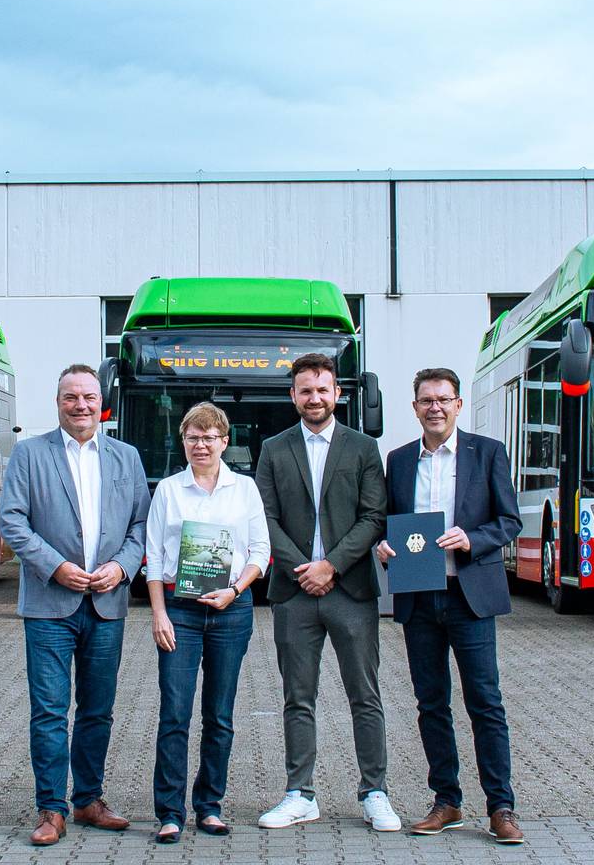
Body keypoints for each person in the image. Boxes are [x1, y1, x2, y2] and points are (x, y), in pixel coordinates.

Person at [0, 365, 151, 846]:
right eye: (70, 397)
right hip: (50, 604)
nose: (80, 405)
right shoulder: (28, 454)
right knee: (48, 710)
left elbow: (142, 525)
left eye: (87, 396)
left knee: (98, 710)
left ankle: (88, 799)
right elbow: (13, 522)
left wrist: (123, 567)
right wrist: (55, 566)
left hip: (106, 603)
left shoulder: (127, 457)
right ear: (58, 401)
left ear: (100, 401)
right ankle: (50, 809)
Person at [374, 367, 524, 844]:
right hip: (419, 596)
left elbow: (510, 521)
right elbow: (385, 522)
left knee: (485, 703)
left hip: (469, 597)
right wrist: (382, 545)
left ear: (458, 405)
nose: (434, 407)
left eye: (443, 399)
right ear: (414, 407)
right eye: (425, 400)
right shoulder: (398, 461)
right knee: (431, 704)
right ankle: (447, 800)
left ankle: (501, 806)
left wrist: (472, 538)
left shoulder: (488, 453)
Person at [254, 352, 395, 831]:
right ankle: (300, 794)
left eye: (322, 389)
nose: (314, 398)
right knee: (298, 697)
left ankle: (375, 791)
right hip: (294, 594)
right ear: (293, 395)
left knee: (365, 695)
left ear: (337, 394)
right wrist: (303, 569)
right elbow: (264, 518)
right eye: (305, 390)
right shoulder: (274, 449)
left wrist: (331, 565)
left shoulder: (363, 449)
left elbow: (374, 516)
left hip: (350, 589)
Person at [142, 402, 269, 842]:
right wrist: (159, 613)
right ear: (184, 441)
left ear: (224, 442)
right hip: (179, 611)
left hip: (231, 613)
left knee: (219, 715)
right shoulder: (169, 491)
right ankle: (170, 813)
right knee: (174, 714)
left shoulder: (245, 490)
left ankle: (209, 806)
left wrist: (234, 590)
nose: (201, 444)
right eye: (193, 437)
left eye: (209, 437)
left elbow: (259, 553)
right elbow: (154, 559)